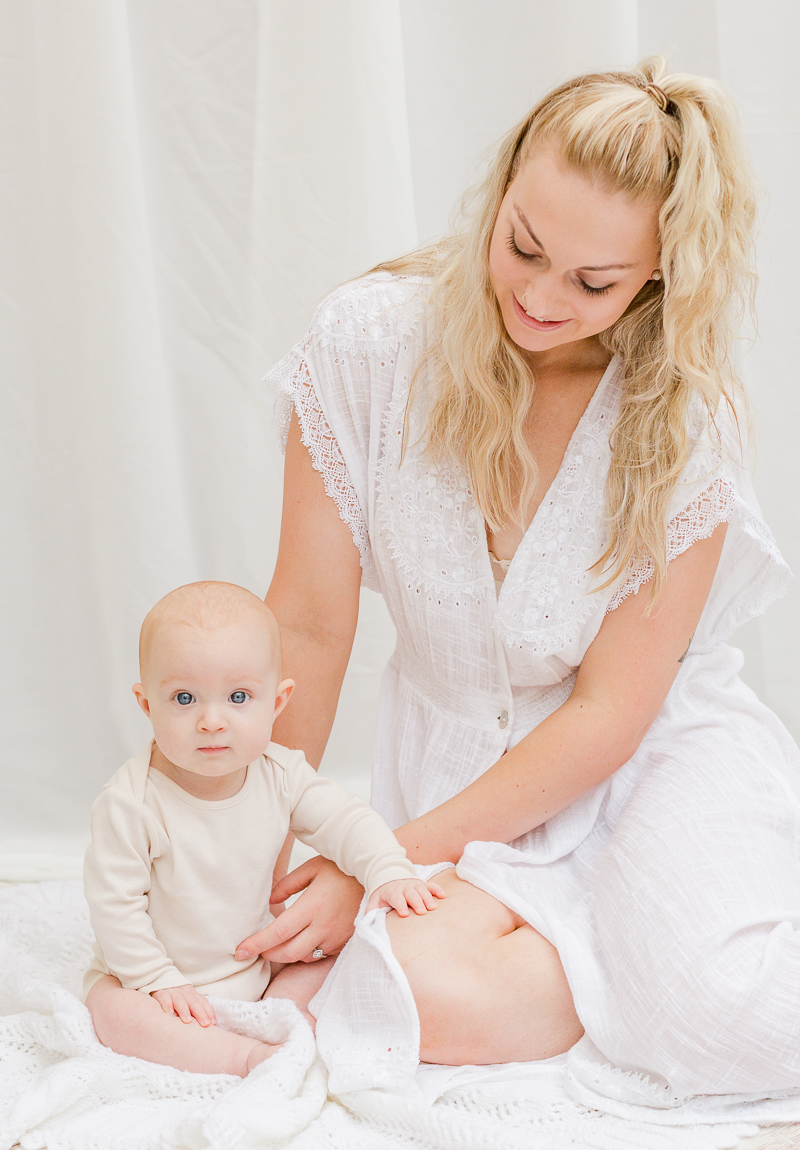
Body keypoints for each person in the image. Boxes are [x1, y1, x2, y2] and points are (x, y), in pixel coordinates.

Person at [240, 57, 800, 1095]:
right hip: (456, 780)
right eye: (521, 247)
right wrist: (258, 841)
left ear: (658, 274)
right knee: (386, 984)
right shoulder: (367, 343)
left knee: (737, 1023)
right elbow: (310, 624)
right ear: (498, 193)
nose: (539, 297)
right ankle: (619, 958)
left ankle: (662, 937)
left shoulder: (682, 420)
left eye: (591, 283)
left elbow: (604, 716)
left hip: (642, 761)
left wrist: (375, 861)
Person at [83, 581, 443, 1077]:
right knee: (115, 1012)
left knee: (345, 955)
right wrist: (155, 978)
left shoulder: (281, 774)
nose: (212, 721)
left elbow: (345, 820)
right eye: (184, 698)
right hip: (160, 978)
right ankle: (241, 1056)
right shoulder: (131, 803)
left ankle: (287, 1018)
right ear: (147, 705)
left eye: (237, 697)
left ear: (277, 702)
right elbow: (114, 906)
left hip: (259, 964)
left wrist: (386, 870)